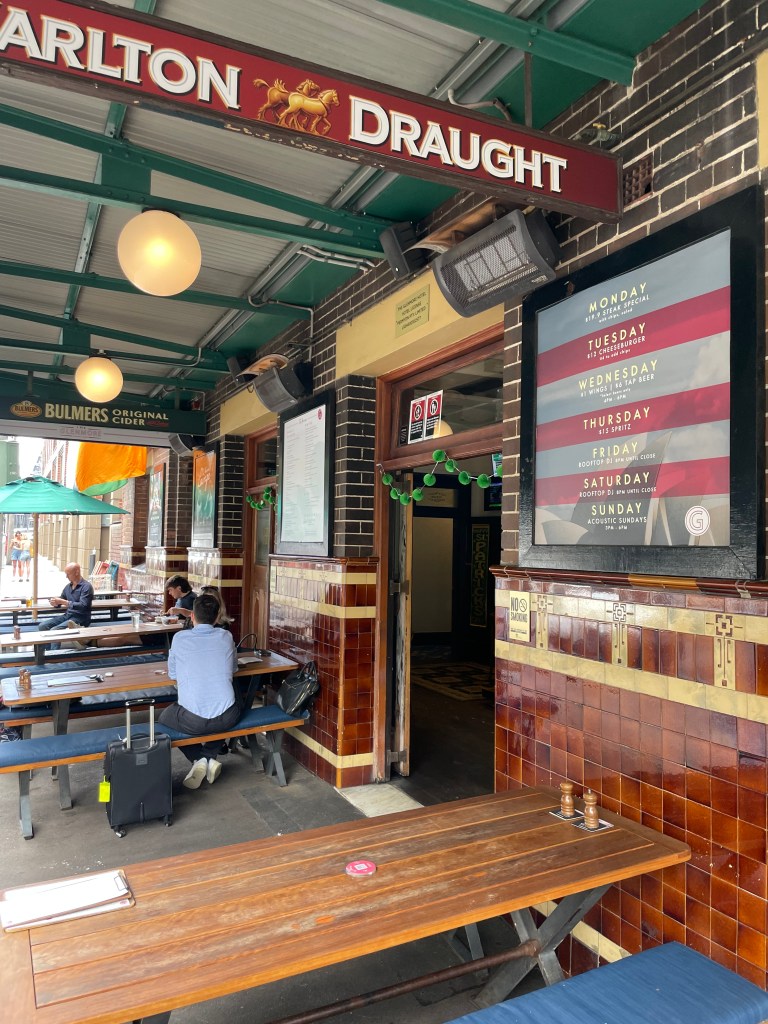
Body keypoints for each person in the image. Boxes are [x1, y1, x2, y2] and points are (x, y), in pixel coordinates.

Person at [159, 592, 241, 789]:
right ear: (216, 617)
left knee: (163, 719)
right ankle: (209, 757)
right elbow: (233, 669)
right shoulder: (226, 636)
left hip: (193, 721)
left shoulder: (179, 638)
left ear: (192, 616)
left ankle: (199, 759)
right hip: (229, 716)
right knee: (233, 700)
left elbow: (173, 675)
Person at [39, 562, 94, 631]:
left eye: (68, 574)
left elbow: (83, 605)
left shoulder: (86, 586)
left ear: (77, 572)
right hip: (68, 615)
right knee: (42, 626)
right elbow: (61, 599)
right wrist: (55, 603)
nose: (66, 576)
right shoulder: (68, 587)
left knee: (54, 630)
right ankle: (47, 641)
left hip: (81, 618)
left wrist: (66, 602)